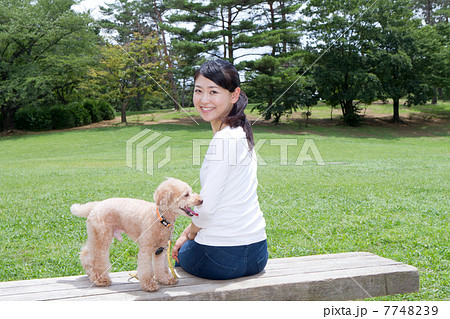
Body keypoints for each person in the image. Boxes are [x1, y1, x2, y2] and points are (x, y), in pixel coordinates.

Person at [171, 59, 268, 280]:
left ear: (234, 95)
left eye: (213, 92)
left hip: (221, 258)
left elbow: (206, 209)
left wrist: (187, 235)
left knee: (176, 253)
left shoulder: (224, 139)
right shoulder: (241, 132)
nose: (204, 100)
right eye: (198, 91)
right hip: (258, 254)